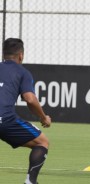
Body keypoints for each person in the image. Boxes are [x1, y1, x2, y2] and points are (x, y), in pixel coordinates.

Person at [0, 38, 51, 184]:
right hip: (5, 119)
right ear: (21, 55)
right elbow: (30, 99)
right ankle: (31, 181)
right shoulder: (22, 72)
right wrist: (43, 117)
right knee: (42, 142)